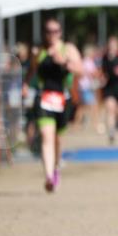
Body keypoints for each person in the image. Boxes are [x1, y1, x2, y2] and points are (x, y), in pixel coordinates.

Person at [27, 18, 83, 192]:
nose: (52, 34)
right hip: (44, 98)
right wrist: (25, 85)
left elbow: (80, 70)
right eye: (49, 31)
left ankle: (56, 166)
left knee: (58, 139)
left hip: (63, 99)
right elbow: (32, 71)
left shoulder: (68, 49)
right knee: (46, 136)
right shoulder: (39, 51)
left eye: (55, 30)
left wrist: (64, 62)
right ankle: (49, 176)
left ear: (60, 32)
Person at [100, 36, 118, 144]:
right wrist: (102, 78)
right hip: (109, 87)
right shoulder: (104, 58)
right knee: (110, 109)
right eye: (111, 44)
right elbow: (103, 72)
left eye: (114, 44)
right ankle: (111, 132)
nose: (112, 46)